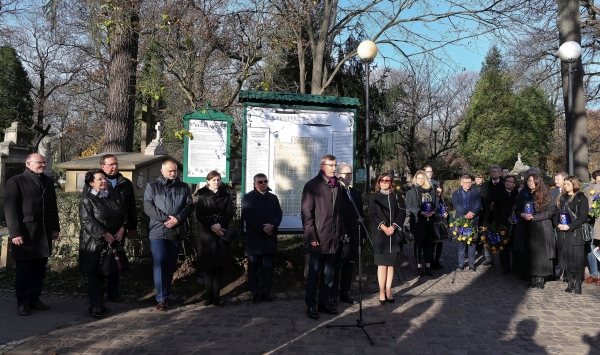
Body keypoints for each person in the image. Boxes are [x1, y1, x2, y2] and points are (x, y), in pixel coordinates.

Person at [5, 153, 60, 316]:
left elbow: (53, 208)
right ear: (28, 164)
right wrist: (15, 233)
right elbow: (10, 209)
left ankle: (35, 299)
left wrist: (55, 227)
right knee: (24, 270)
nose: (43, 164)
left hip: (43, 233)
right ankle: (22, 303)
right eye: (39, 162)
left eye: (44, 162)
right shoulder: (16, 181)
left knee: (39, 269)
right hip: (26, 233)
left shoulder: (48, 182)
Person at [87, 154, 138, 303]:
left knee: (115, 261)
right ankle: (97, 295)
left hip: (118, 230)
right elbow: (88, 211)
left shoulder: (125, 183)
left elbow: (130, 207)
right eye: (110, 164)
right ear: (103, 166)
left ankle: (113, 293)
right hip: (100, 232)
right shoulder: (94, 183)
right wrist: (102, 232)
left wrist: (128, 227)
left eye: (116, 163)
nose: (114, 166)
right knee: (100, 263)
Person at [144, 159, 193, 310]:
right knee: (160, 261)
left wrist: (177, 219)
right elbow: (148, 206)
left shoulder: (183, 187)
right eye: (170, 171)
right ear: (162, 171)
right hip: (158, 230)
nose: (173, 173)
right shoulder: (152, 186)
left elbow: (189, 205)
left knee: (170, 263)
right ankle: (161, 298)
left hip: (176, 230)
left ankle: (167, 294)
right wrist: (166, 219)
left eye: (175, 170)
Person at [301, 154, 346, 320]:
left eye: (335, 165)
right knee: (314, 274)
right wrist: (311, 235)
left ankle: (324, 303)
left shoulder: (337, 187)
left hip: (333, 238)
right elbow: (307, 215)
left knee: (329, 275)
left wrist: (342, 232)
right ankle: (311, 305)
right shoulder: (312, 186)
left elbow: (339, 214)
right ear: (322, 166)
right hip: (318, 239)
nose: (334, 168)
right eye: (331, 165)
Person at [79, 169, 127, 319]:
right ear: (91, 183)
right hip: (94, 243)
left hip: (111, 242)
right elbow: (87, 221)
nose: (104, 181)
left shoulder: (111, 196)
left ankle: (100, 302)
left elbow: (122, 214)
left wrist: (121, 229)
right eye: (100, 179)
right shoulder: (87, 199)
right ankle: (95, 306)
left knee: (105, 273)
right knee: (94, 275)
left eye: (105, 178)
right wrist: (104, 235)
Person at [195, 170, 235, 306]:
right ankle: (208, 296)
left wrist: (220, 224)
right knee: (208, 268)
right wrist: (212, 225)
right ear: (208, 181)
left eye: (218, 180)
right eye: (213, 180)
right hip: (207, 234)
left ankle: (217, 296)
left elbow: (230, 212)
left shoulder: (225, 195)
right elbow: (199, 214)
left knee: (219, 267)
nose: (216, 182)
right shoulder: (202, 195)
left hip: (221, 232)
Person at [241, 173, 282, 304]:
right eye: (260, 182)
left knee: (268, 267)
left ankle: (266, 291)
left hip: (269, 239)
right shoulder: (248, 198)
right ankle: (255, 292)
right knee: (253, 268)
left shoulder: (273, 198)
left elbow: (279, 214)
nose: (264, 184)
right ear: (254, 184)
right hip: (255, 239)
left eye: (265, 181)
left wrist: (272, 226)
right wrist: (262, 228)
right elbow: (248, 216)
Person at [369, 172, 406, 303]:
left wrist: (394, 226)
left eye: (387, 180)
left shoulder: (397, 196)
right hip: (380, 234)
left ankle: (389, 290)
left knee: (391, 265)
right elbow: (372, 214)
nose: (385, 182)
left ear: (391, 183)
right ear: (378, 182)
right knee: (382, 264)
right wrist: (384, 227)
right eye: (382, 180)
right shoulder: (375, 197)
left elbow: (402, 212)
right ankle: (381, 291)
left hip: (394, 234)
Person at [513, 173, 555, 289]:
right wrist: (522, 214)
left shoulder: (547, 195)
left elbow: (550, 212)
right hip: (526, 226)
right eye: (528, 181)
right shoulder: (523, 194)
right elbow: (517, 210)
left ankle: (540, 278)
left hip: (541, 226)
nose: (529, 183)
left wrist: (535, 217)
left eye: (532, 181)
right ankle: (531, 276)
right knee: (528, 252)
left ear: (537, 181)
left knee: (541, 253)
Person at [333, 162, 363, 306]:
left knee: (349, 266)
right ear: (339, 176)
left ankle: (345, 293)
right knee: (336, 267)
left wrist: (361, 236)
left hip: (353, 235)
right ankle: (333, 295)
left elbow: (360, 216)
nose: (349, 176)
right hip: (339, 236)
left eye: (351, 173)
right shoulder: (335, 192)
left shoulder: (355, 193)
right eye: (346, 174)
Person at [555, 176, 589, 294]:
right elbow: (556, 214)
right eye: (565, 184)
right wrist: (558, 224)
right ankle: (570, 282)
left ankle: (578, 283)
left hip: (576, 232)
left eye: (568, 184)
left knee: (578, 259)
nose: (565, 186)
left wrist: (570, 226)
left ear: (574, 184)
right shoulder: (562, 197)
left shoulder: (581, 197)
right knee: (567, 259)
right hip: (564, 233)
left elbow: (583, 216)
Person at [406, 170, 439, 277]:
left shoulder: (431, 190)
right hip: (417, 221)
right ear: (416, 179)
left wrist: (433, 212)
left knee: (429, 244)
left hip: (429, 221)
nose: (420, 180)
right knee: (418, 244)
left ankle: (428, 266)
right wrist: (420, 212)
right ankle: (419, 266)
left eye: (422, 178)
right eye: (418, 178)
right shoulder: (411, 191)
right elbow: (408, 206)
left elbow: (436, 204)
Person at [451, 175, 482, 272]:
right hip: (461, 220)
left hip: (473, 219)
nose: (468, 184)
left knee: (472, 242)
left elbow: (478, 204)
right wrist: (466, 213)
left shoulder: (475, 192)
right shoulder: (456, 193)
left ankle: (471, 264)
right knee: (461, 241)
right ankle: (461, 263)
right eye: (465, 182)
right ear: (461, 183)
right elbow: (456, 205)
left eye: (469, 182)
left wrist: (472, 213)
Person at [491, 175, 519, 274]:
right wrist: (497, 224)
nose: (508, 183)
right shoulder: (499, 194)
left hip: (516, 225)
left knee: (515, 247)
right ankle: (505, 267)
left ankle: (516, 267)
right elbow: (495, 211)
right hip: (503, 224)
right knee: (503, 246)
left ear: (514, 184)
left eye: (510, 181)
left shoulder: (518, 194)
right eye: (506, 181)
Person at [479, 164, 505, 266]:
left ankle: (502, 259)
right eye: (491, 172)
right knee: (486, 236)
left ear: (499, 173)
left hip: (500, 215)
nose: (493, 173)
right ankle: (489, 258)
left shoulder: (504, 184)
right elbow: (483, 197)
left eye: (495, 171)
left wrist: (496, 203)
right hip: (487, 215)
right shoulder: (485, 185)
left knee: (502, 236)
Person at [584, 170, 600, 284]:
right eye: (598, 180)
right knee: (591, 247)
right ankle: (594, 274)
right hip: (592, 223)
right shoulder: (588, 189)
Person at [431, 184, 448, 270]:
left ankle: (437, 261)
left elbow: (443, 210)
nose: (439, 194)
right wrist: (441, 216)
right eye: (437, 192)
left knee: (440, 244)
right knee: (433, 244)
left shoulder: (441, 200)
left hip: (441, 224)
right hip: (434, 224)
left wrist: (445, 211)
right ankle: (432, 262)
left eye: (440, 192)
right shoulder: (433, 200)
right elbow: (432, 214)